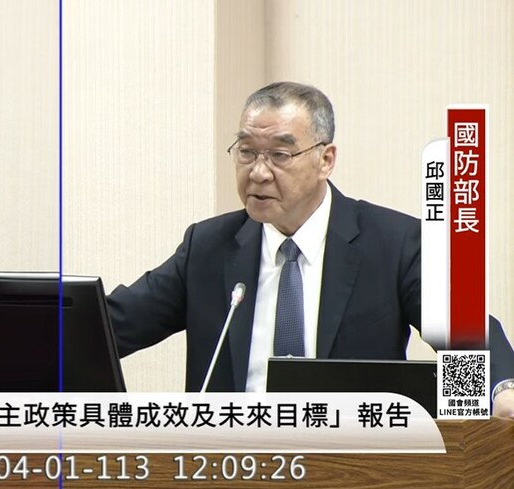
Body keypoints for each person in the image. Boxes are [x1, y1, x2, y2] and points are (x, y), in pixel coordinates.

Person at [108, 82, 514, 416]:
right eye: (247, 152)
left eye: (280, 154)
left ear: (326, 159)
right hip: (234, 463)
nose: (258, 172)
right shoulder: (208, 248)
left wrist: (501, 389)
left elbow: (466, 335)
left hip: (356, 464)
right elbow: (114, 328)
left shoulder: (393, 243)